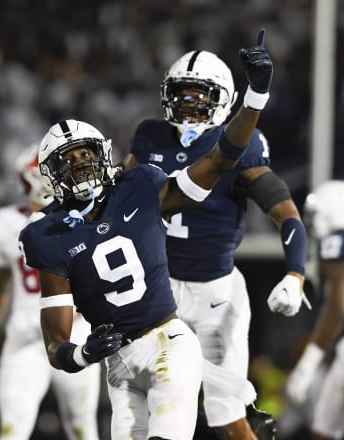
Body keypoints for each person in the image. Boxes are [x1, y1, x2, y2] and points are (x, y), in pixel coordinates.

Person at [19, 30, 273, 440]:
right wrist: (83, 353)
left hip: (168, 344)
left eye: (87, 155)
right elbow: (56, 342)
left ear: (105, 157)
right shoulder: (45, 234)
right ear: (49, 175)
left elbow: (218, 160)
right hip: (118, 363)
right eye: (69, 160)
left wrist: (254, 99)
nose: (82, 166)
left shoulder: (139, 187)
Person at [122, 39, 309, 440]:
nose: (189, 105)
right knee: (145, 406)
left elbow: (286, 213)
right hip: (158, 294)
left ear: (223, 100)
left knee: (228, 419)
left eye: (200, 96)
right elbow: (119, 203)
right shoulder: (149, 137)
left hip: (215, 297)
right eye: (181, 95)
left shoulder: (241, 147)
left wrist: (295, 274)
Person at [0, 145, 101, 440]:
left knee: (82, 428)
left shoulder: (84, 217)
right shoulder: (5, 222)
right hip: (25, 334)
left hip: (75, 328)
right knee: (12, 429)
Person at [285, 181, 344, 426]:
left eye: (315, 214)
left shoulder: (337, 243)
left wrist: (307, 364)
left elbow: (338, 308)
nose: (311, 221)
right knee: (324, 427)